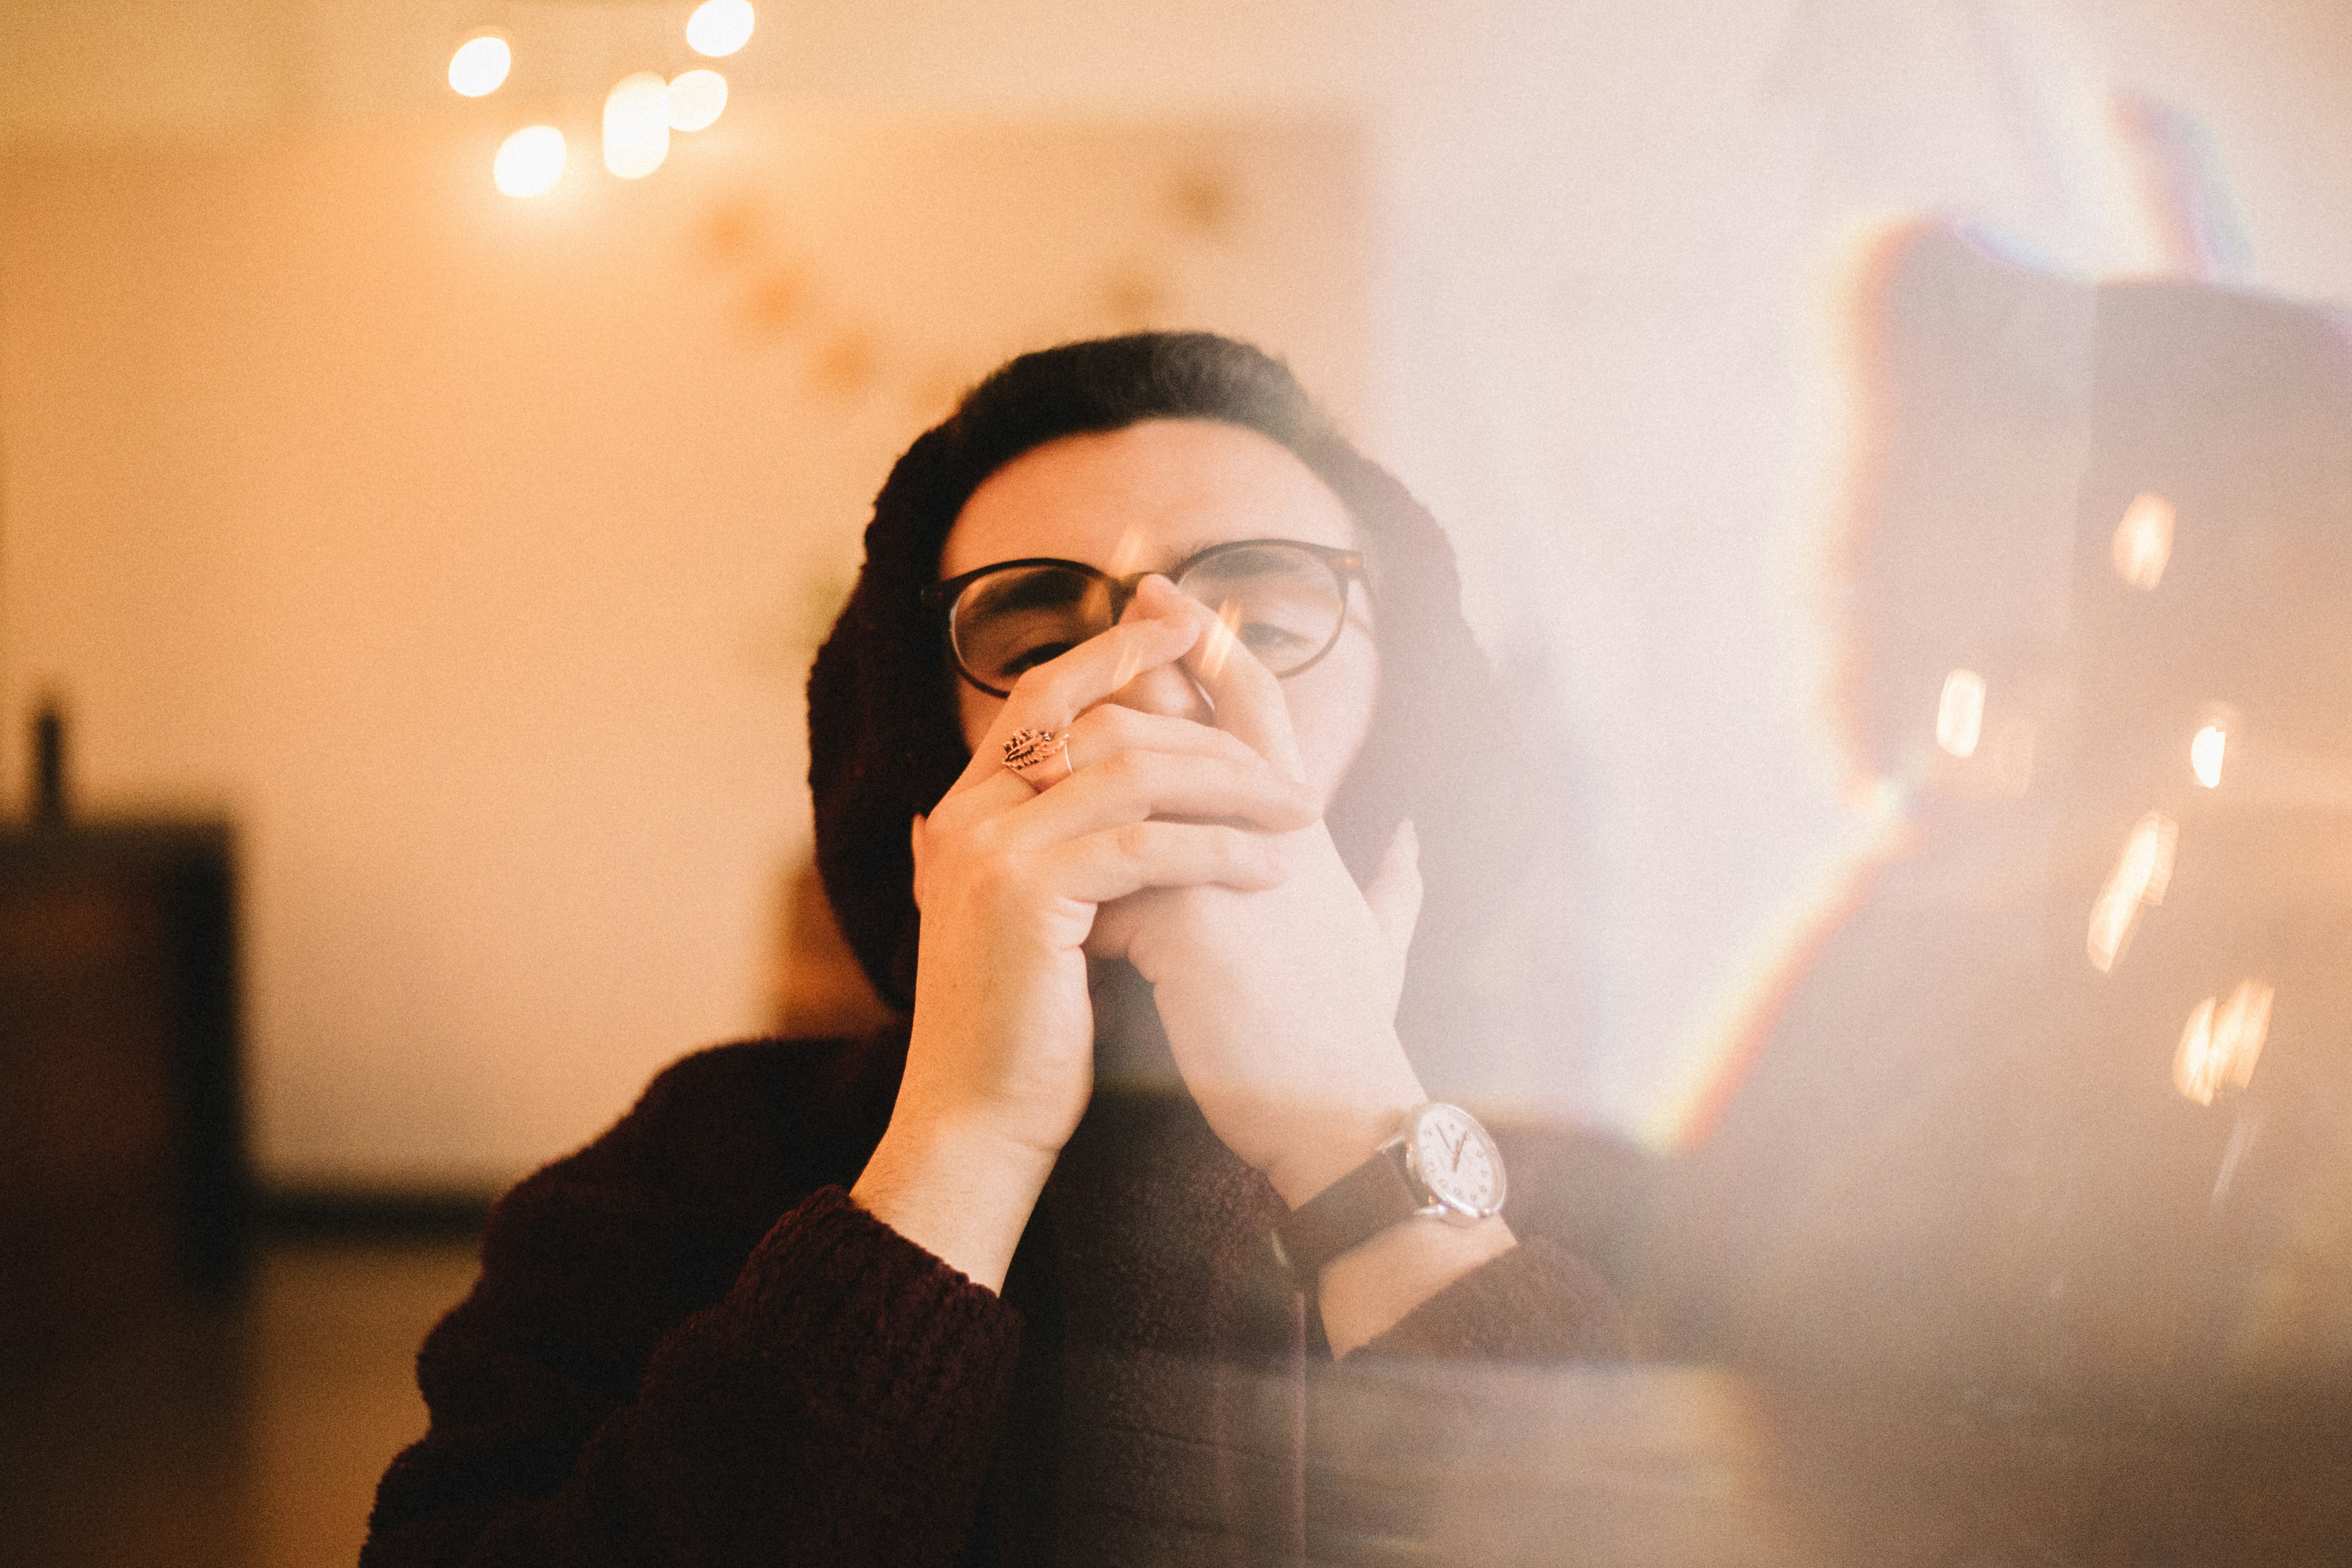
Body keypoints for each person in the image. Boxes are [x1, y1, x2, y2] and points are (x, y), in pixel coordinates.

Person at [362, 333, 1634, 1568]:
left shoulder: (1632, 1213)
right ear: (927, 741)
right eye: (1034, 645)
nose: (1154, 695)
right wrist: (959, 1148)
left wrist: (1357, 1143)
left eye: (1265, 615)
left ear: (1409, 709)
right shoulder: (690, 1173)